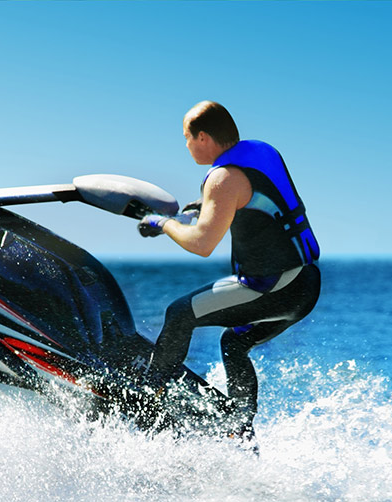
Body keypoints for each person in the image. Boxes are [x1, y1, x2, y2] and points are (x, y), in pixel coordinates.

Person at [137, 101, 321, 441]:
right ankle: (241, 429)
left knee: (179, 315)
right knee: (234, 343)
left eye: (187, 137)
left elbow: (202, 243)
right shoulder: (262, 151)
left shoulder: (222, 178)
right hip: (306, 284)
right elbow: (259, 199)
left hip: (272, 289)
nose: (186, 145)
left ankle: (147, 402)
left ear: (203, 137)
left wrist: (163, 224)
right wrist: (207, 206)